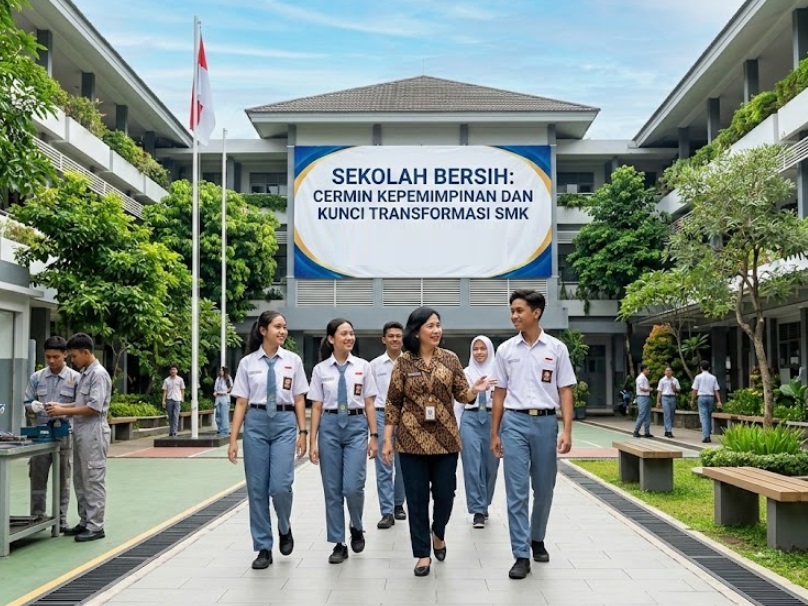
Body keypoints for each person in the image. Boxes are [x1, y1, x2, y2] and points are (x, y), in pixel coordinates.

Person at [383, 307, 489, 577]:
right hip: (410, 441)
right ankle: (421, 554)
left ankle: (438, 532)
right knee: (416, 500)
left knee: (445, 494)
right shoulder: (404, 363)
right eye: (431, 326)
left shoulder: (451, 359)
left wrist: (474, 391)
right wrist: (386, 439)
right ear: (417, 331)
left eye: (438, 325)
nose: (436, 330)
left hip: (445, 439)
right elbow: (393, 402)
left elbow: (462, 394)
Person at [490, 290, 574, 580]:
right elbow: (499, 393)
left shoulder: (557, 348)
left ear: (535, 313)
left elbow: (565, 389)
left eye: (519, 310)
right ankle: (520, 554)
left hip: (546, 424)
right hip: (513, 423)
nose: (514, 316)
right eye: (512, 310)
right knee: (516, 492)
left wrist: (567, 430)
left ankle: (537, 537)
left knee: (544, 488)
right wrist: (495, 433)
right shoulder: (505, 351)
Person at [228, 311, 309, 569]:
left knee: (281, 486)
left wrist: (303, 432)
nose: (283, 331)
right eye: (277, 327)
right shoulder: (248, 363)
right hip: (256, 425)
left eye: (285, 327)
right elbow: (241, 401)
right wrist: (233, 440)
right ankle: (263, 546)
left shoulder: (293, 361)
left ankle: (284, 526)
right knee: (257, 489)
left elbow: (299, 399)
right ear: (263, 330)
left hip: (285, 424)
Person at [309, 318, 379, 564]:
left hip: (356, 426)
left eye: (351, 333)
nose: (349, 338)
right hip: (329, 427)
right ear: (331, 339)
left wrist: (374, 436)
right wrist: (312, 440)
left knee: (352, 486)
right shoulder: (320, 370)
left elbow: (370, 402)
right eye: (343, 334)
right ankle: (338, 542)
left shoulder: (363, 367)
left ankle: (357, 526)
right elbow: (316, 407)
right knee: (332, 489)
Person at [47, 333, 112, 542]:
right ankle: (85, 521)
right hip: (82, 432)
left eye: (74, 356)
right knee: (80, 478)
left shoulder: (98, 375)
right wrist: (60, 407)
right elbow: (78, 403)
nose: (72, 360)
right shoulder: (85, 373)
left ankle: (96, 525)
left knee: (93, 478)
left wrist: (63, 411)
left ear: (86, 352)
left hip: (93, 432)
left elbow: (94, 407)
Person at [23, 336, 80, 532]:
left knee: (63, 477)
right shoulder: (37, 377)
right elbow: (26, 403)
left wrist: (61, 409)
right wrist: (34, 407)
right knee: (37, 476)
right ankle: (37, 516)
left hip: (65, 433)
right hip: (41, 433)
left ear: (65, 354)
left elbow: (81, 405)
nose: (52, 361)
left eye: (56, 356)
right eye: (48, 357)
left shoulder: (75, 378)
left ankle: (61, 519)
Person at [459, 335, 500, 529]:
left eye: (483, 348)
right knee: (472, 465)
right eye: (476, 349)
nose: (479, 352)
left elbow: (505, 400)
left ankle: (485, 503)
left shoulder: (499, 372)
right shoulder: (465, 373)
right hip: (470, 420)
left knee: (491, 466)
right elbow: (459, 402)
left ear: (490, 350)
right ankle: (477, 509)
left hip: (493, 420)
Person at [369, 321, 407, 530]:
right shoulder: (373, 366)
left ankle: (398, 504)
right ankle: (386, 511)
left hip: (405, 417)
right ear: (384, 339)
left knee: (403, 465)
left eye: (398, 336)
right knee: (384, 464)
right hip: (382, 416)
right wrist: (373, 431)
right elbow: (370, 399)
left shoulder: (410, 362)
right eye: (390, 336)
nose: (394, 339)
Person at [690, 360, 723, 443]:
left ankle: (706, 436)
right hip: (710, 397)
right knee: (708, 416)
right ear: (709, 368)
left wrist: (692, 400)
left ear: (701, 368)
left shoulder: (698, 377)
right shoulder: (713, 377)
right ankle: (708, 433)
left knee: (704, 417)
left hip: (701, 397)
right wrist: (719, 401)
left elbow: (695, 389)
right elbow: (716, 390)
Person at [656, 366, 681, 438]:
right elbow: (659, 391)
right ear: (664, 372)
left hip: (672, 397)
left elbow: (678, 390)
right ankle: (669, 431)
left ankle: (667, 430)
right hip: (665, 397)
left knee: (672, 414)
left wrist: (674, 388)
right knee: (667, 414)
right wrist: (658, 401)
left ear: (672, 372)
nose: (668, 372)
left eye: (669, 371)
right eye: (666, 371)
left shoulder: (675, 380)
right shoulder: (662, 380)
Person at [161, 365, 185, 437]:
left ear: (177, 371)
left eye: (174, 369)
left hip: (177, 399)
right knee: (170, 416)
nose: (173, 371)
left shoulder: (180, 379)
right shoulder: (166, 380)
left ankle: (174, 431)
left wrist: (182, 397)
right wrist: (163, 400)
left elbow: (182, 389)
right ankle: (171, 431)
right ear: (170, 371)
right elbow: (165, 391)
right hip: (169, 399)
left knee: (176, 415)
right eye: (172, 369)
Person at [632, 364, 654, 438]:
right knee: (642, 414)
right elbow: (641, 388)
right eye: (647, 369)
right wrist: (649, 389)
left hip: (646, 397)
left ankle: (647, 432)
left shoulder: (644, 378)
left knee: (647, 415)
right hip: (642, 397)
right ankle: (636, 431)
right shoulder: (640, 378)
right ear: (643, 370)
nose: (649, 371)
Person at [214, 367, 233, 436]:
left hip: (225, 397)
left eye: (222, 370)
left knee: (224, 414)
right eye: (220, 370)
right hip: (218, 397)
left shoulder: (228, 378)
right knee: (218, 414)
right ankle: (219, 428)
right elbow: (215, 388)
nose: (221, 371)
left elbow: (231, 387)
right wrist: (215, 392)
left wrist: (225, 391)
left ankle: (224, 430)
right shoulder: (218, 379)